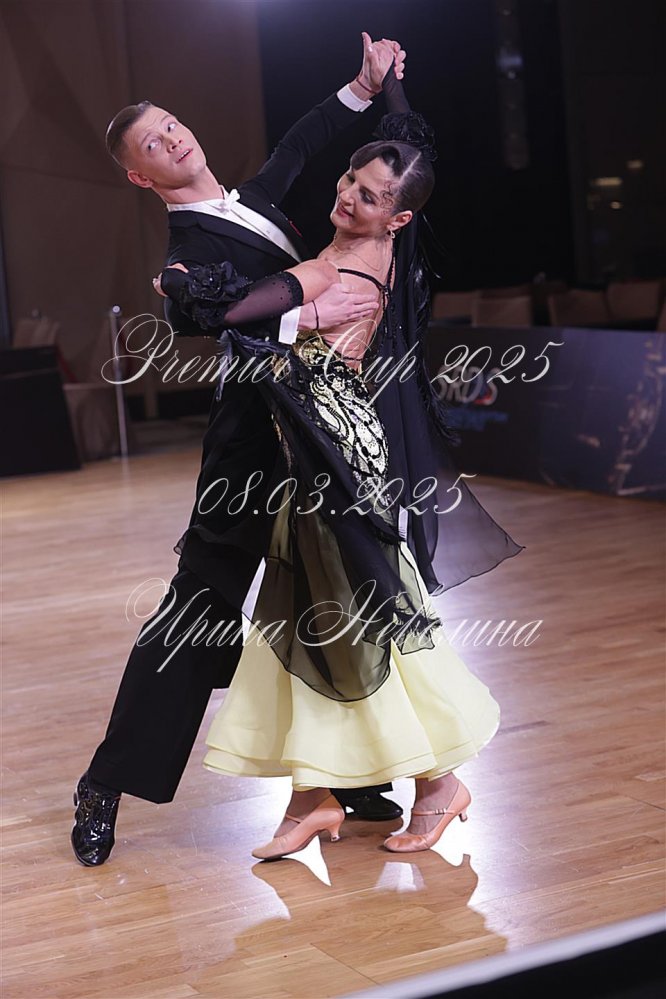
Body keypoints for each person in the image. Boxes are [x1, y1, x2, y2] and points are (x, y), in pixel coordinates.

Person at [155, 66, 523, 860]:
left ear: (399, 216)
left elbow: (230, 314)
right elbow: (407, 150)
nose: (349, 197)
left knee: (359, 617)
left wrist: (180, 281)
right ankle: (314, 794)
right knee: (315, 617)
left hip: (337, 460)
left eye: (370, 195)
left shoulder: (333, 269)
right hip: (324, 450)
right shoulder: (385, 246)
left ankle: (434, 783)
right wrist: (383, 89)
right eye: (350, 181)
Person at [71, 34, 409, 868]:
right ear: (140, 176)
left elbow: (301, 141)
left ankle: (355, 774)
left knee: (337, 598)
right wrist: (295, 311)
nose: (173, 138)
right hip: (251, 443)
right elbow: (204, 312)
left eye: (171, 124)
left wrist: (363, 87)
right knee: (200, 609)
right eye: (153, 144)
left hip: (319, 429)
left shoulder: (251, 201)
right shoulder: (183, 252)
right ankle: (105, 782)